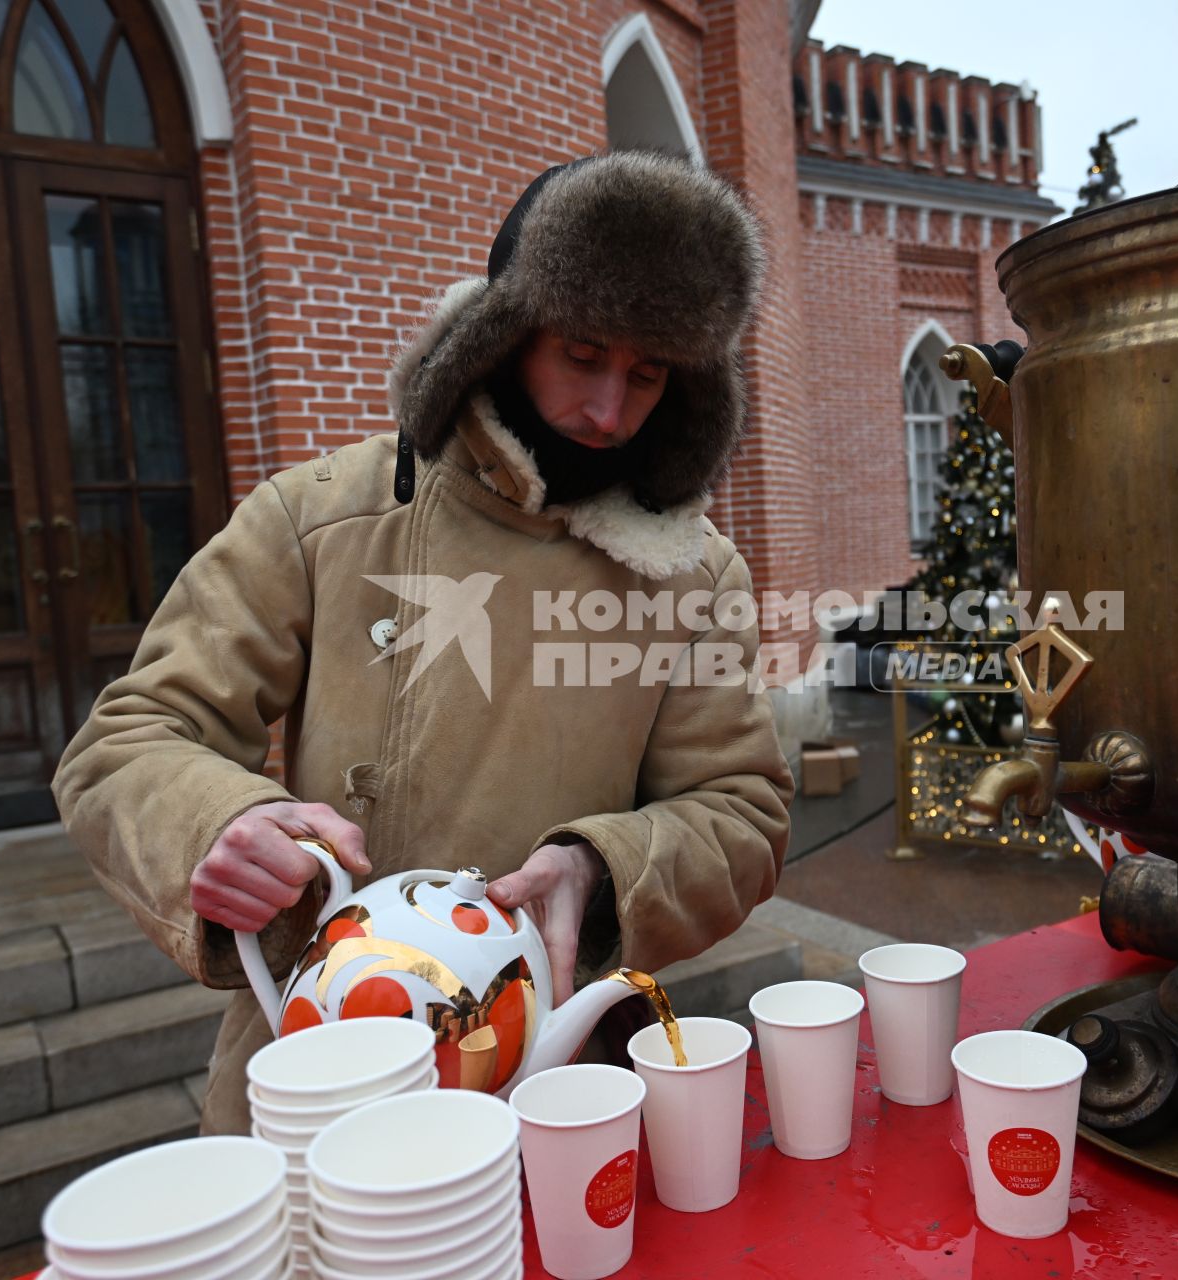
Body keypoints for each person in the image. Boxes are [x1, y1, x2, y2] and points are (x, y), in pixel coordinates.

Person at [53, 151, 794, 1135]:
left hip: (560, 1083)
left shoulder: (695, 578)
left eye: (648, 373)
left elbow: (741, 810)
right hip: (319, 1068)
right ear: (507, 331)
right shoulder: (325, 515)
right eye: (582, 353)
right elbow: (129, 737)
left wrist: (603, 867)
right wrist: (219, 826)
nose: (611, 410)